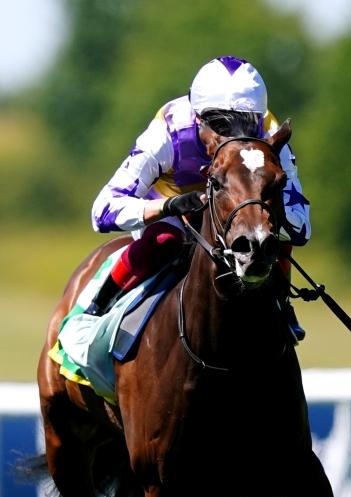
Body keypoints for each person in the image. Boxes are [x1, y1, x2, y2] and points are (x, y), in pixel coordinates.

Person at [86, 55, 311, 341]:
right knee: (165, 240)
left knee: (272, 234)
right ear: (197, 117)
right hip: (174, 207)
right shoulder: (167, 133)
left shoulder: (270, 134)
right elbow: (102, 211)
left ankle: (283, 302)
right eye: (220, 125)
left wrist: (266, 215)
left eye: (246, 125)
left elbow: (302, 227)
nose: (232, 136)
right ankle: (99, 306)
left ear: (258, 120)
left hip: (237, 213)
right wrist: (168, 206)